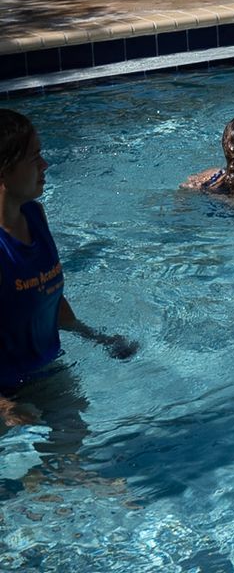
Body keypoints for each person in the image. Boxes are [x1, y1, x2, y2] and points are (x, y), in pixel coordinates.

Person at [1, 110, 135, 427]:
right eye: (34, 158)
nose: (44, 165)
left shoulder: (35, 216)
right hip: (5, 392)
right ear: (4, 171)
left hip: (47, 372)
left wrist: (98, 338)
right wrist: (4, 408)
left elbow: (49, 298)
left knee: (72, 462)